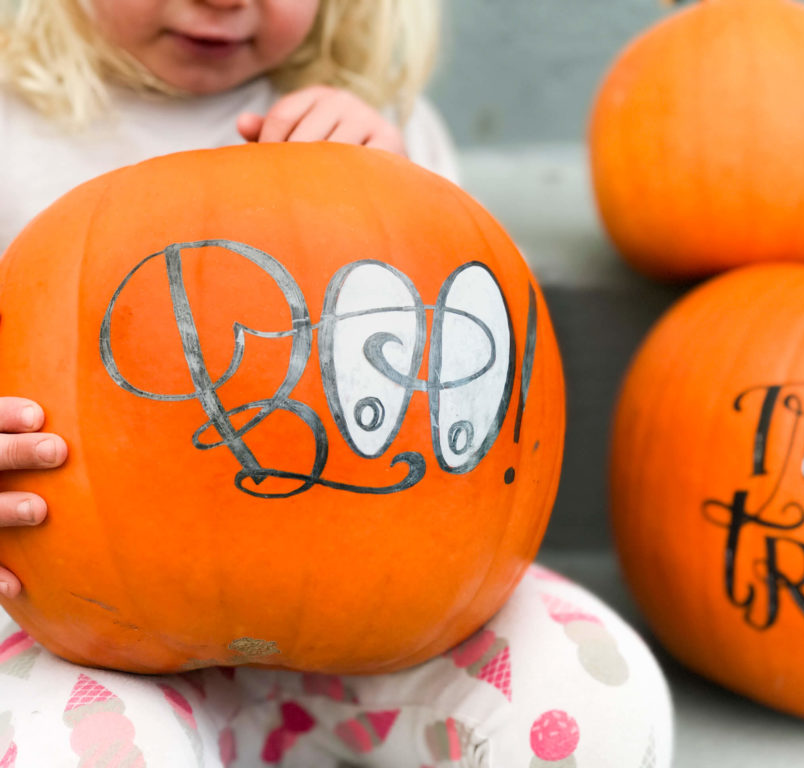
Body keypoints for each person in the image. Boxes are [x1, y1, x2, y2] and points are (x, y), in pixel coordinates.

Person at [0, 1, 674, 766]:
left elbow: (476, 364)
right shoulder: (10, 130)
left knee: (599, 697)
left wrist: (397, 189)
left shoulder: (378, 124)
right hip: (85, 647)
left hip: (381, 641)